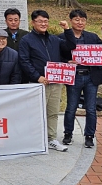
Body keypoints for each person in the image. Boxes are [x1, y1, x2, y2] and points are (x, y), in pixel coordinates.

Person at [19, 10, 76, 152]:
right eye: (40, 21)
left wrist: (67, 30)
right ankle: (34, 139)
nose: (43, 24)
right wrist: (37, 77)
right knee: (37, 112)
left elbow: (71, 46)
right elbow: (24, 61)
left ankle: (51, 139)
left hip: (56, 82)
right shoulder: (26, 40)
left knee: (53, 112)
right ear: (33, 23)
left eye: (46, 21)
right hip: (38, 83)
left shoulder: (54, 39)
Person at [58, 9, 102, 148]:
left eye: (83, 20)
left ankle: (89, 136)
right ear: (71, 21)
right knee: (71, 107)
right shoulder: (62, 37)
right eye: (77, 20)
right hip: (74, 76)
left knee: (91, 108)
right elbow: (58, 55)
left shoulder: (92, 37)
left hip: (91, 76)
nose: (80, 23)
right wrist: (66, 62)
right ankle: (68, 133)